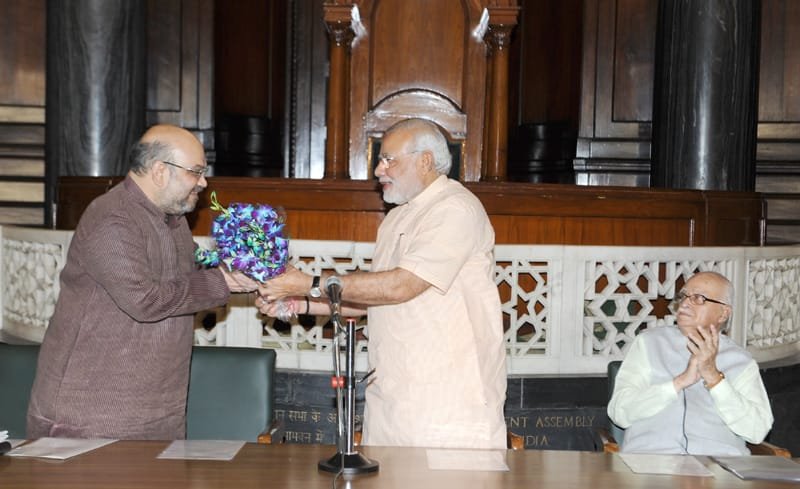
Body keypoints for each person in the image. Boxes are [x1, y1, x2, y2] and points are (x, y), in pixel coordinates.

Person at [257, 118, 507, 449]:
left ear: (425, 161)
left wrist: (307, 282)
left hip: (447, 402)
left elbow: (401, 286)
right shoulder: (397, 217)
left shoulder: (454, 208)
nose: (378, 170)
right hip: (391, 402)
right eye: (380, 159)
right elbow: (373, 298)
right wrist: (297, 301)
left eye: (389, 159)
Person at [27, 124, 258, 440]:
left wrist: (253, 268)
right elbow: (145, 300)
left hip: (159, 409)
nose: (204, 183)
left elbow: (195, 267)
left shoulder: (172, 219)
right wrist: (225, 283)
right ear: (161, 171)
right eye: (195, 172)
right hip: (94, 415)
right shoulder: (111, 218)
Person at [607, 271, 773, 455]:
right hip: (652, 464)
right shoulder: (649, 343)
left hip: (718, 470)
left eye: (698, 298)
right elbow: (619, 412)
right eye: (683, 296)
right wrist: (678, 383)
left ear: (723, 313)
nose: (685, 303)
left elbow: (757, 431)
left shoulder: (741, 361)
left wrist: (714, 378)